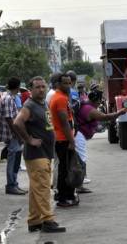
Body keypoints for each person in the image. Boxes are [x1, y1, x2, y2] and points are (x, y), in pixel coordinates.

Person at [13, 76, 66, 233]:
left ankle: (34, 220)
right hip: (36, 154)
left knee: (37, 187)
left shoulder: (42, 104)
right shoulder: (29, 105)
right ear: (31, 89)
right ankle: (48, 220)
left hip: (44, 153)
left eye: (43, 86)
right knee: (43, 188)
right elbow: (17, 122)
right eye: (37, 87)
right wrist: (29, 139)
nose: (41, 89)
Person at [74, 90, 126, 194]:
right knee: (81, 160)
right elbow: (104, 117)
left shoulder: (85, 104)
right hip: (79, 136)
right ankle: (79, 186)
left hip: (79, 134)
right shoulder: (89, 109)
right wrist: (119, 113)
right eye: (99, 101)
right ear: (96, 101)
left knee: (79, 159)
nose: (99, 104)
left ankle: (79, 184)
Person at [49, 74, 78, 207]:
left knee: (65, 168)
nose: (68, 86)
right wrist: (71, 141)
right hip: (62, 139)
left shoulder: (62, 97)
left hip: (63, 138)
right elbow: (64, 122)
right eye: (65, 83)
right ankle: (63, 197)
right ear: (58, 84)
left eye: (69, 83)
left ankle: (67, 195)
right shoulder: (60, 98)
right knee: (65, 169)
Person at [0, 77, 27, 195]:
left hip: (14, 133)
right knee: (12, 159)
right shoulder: (8, 98)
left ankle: (14, 183)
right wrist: (18, 135)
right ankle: (11, 185)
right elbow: (10, 119)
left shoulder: (10, 97)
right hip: (12, 134)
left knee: (16, 159)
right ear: (18, 87)